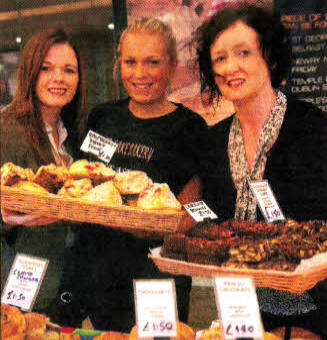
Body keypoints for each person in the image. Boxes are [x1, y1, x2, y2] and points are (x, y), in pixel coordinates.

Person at [194, 5, 327, 338]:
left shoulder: (313, 128)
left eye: (244, 52)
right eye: (219, 58)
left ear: (269, 56)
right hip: (239, 311)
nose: (230, 67)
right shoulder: (212, 141)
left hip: (314, 313)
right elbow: (212, 219)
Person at [76, 17, 208, 332]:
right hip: (100, 280)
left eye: (152, 62)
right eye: (130, 62)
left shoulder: (190, 128)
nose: (140, 73)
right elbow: (80, 186)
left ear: (173, 65)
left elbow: (192, 213)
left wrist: (145, 225)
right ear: (118, 64)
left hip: (159, 281)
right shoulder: (102, 118)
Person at [0, 28, 87, 324]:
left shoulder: (73, 135)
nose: (58, 79)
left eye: (69, 70)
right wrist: (9, 219)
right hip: (18, 292)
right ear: (30, 73)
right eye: (46, 69)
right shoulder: (7, 130)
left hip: (67, 289)